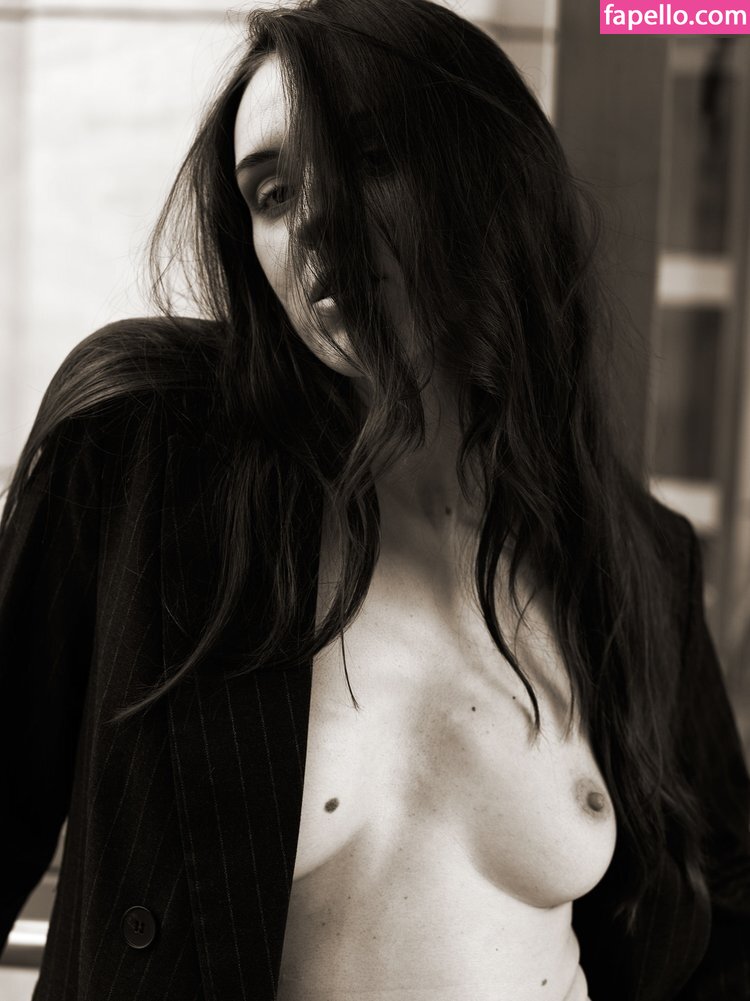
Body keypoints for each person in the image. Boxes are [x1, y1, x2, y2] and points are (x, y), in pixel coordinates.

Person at [1, 1, 749, 999]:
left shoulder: (633, 561)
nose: (313, 221)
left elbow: (723, 936)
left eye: (371, 156)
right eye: (271, 191)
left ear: (492, 180)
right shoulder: (143, 455)